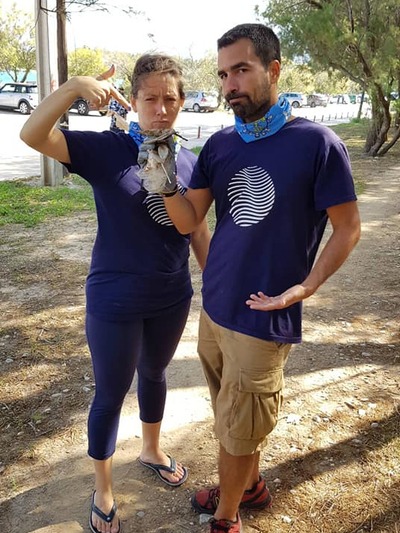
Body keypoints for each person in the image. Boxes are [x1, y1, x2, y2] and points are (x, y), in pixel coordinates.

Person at [144, 24, 361, 533]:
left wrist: (307, 286)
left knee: (240, 426)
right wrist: (164, 179)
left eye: (240, 70)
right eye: (223, 74)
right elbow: (188, 221)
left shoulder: (317, 144)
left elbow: (348, 228)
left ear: (274, 69)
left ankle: (227, 517)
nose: (229, 85)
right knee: (232, 417)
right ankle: (249, 486)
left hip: (264, 315)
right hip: (217, 307)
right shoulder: (222, 145)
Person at [20, 54, 211, 533]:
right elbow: (33, 135)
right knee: (110, 391)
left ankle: (151, 450)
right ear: (134, 100)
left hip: (172, 295)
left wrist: (216, 283)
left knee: (155, 373)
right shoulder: (107, 150)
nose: (161, 109)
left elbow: (196, 229)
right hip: (114, 300)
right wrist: (72, 88)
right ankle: (103, 488)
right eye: (151, 98)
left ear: (182, 102)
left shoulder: (191, 160)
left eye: (170, 99)